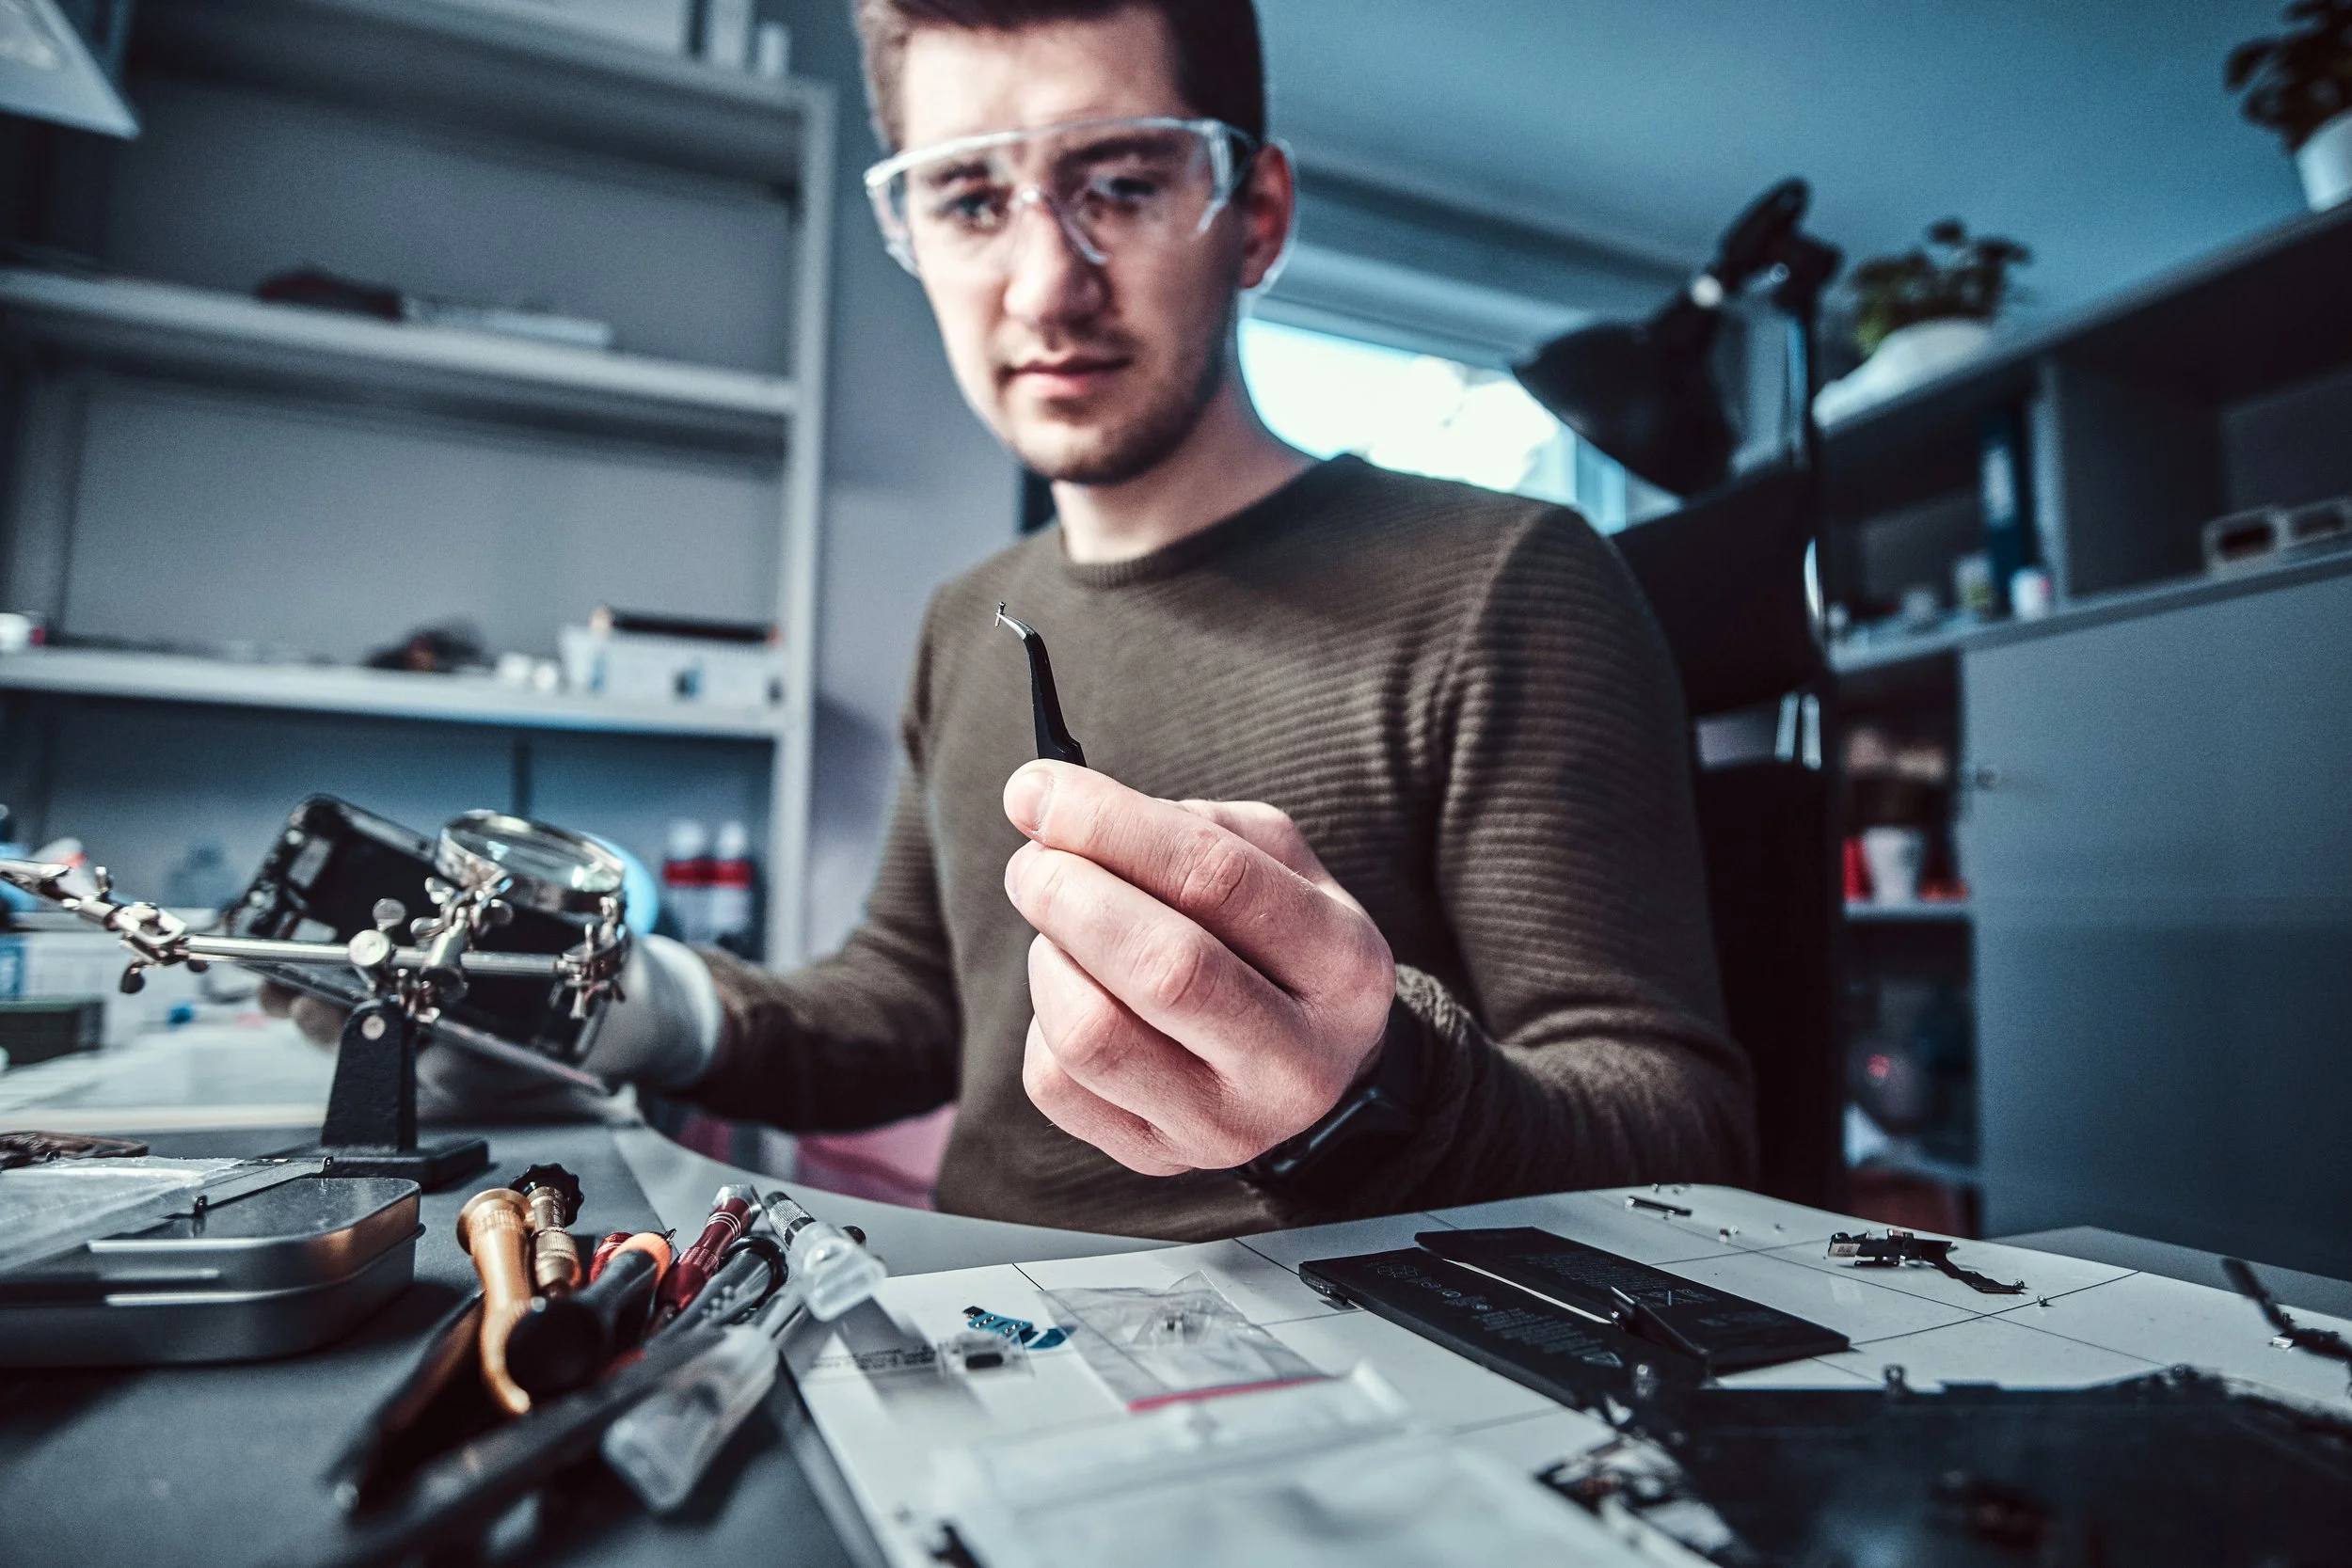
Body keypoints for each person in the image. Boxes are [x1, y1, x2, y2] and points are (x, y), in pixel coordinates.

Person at [277, 0, 1755, 1243]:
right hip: (955, 1351)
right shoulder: (967, 615)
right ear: (912, 220)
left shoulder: (1509, 578)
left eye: (1121, 180)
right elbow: (906, 1011)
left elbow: (1681, 1126)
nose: (1047, 284)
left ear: (1256, 215)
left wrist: (1371, 1090)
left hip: (1347, 1405)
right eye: (973, 197)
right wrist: (608, 1004)